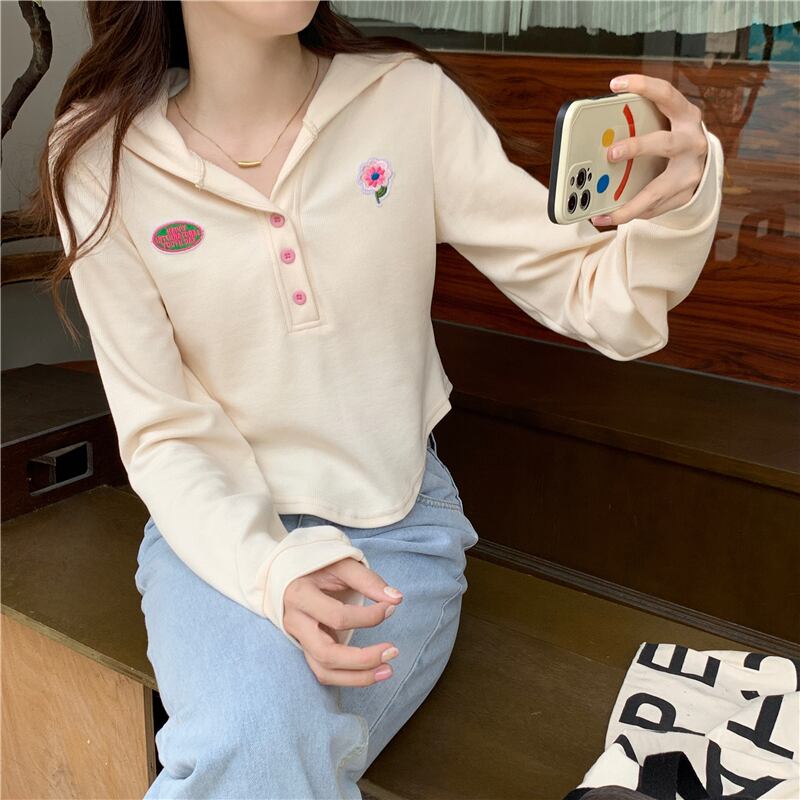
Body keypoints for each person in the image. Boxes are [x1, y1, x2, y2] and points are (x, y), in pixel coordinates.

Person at [32, 1, 723, 797]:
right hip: (211, 536)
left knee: (255, 751)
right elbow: (161, 431)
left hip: (395, 533)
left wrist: (679, 205)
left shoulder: (406, 99)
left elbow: (610, 306)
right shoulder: (100, 154)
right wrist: (269, 569)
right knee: (253, 740)